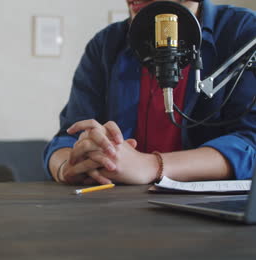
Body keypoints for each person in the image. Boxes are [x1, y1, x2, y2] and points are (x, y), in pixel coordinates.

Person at [44, 0, 255, 185]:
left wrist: (150, 166)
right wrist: (67, 167)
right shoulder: (106, 44)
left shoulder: (243, 31)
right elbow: (67, 137)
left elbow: (250, 143)